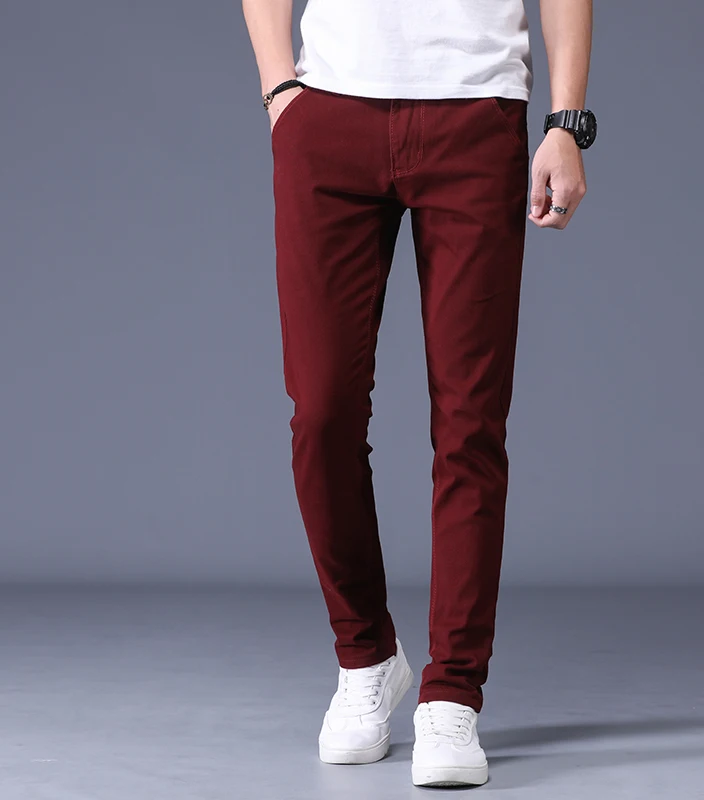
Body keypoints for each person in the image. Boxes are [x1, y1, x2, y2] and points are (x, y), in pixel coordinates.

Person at [242, 0, 595, 787]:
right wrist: (279, 91)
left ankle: (453, 692)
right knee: (321, 413)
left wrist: (566, 121)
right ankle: (365, 655)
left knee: (471, 421)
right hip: (328, 114)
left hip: (475, 111)